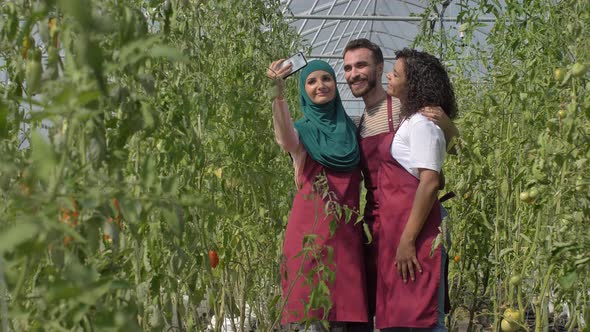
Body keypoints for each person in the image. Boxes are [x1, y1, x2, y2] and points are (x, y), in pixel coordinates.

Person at [342, 39, 458, 331]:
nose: (354, 73)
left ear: (379, 68)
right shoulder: (358, 122)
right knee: (388, 315)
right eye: (347, 68)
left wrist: (448, 124)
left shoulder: (409, 110)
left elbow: (447, 155)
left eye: (361, 65)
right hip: (378, 224)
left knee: (420, 313)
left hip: (413, 220)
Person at [267, 59, 368, 331]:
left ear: (336, 85)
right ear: (303, 90)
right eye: (311, 81)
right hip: (308, 238)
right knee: (309, 317)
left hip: (345, 239)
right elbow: (285, 138)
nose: (320, 86)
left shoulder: (352, 129)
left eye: (326, 79)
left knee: (342, 319)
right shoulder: (303, 131)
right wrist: (277, 92)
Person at [375, 48, 457, 331]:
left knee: (424, 315)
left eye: (395, 74)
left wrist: (408, 240)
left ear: (413, 84)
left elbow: (431, 182)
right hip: (403, 229)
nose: (388, 75)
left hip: (418, 232)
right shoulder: (410, 121)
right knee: (406, 315)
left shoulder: (423, 124)